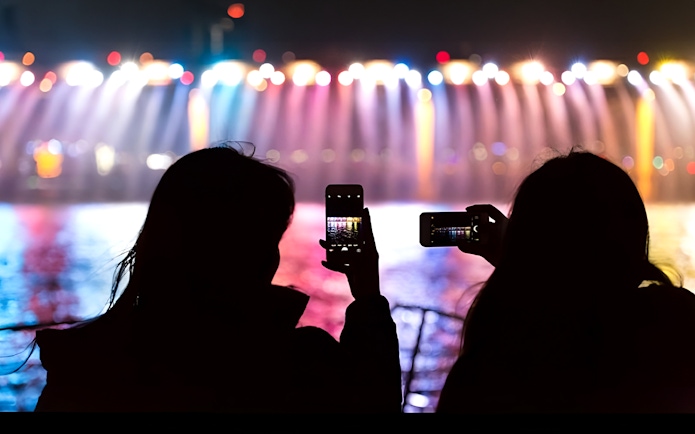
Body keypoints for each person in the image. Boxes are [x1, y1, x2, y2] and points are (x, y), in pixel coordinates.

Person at [34, 144, 402, 412]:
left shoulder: (86, 360)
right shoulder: (296, 362)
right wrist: (368, 297)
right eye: (272, 237)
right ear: (254, 251)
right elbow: (375, 403)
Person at [436, 150, 695, 413]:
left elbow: (559, 297)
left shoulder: (491, 369)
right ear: (633, 239)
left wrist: (516, 265)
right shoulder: (673, 327)